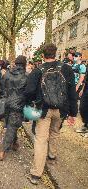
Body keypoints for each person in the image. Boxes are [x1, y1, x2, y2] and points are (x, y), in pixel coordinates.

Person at [25, 44, 77, 185]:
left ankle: (36, 175)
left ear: (43, 55)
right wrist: (73, 113)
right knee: (55, 133)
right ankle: (52, 156)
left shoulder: (37, 71)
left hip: (44, 110)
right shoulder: (66, 69)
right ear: (56, 54)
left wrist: (29, 104)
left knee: (41, 140)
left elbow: (29, 91)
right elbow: (72, 92)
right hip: (62, 110)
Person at [0, 55, 27, 161]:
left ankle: (14, 143)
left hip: (6, 103)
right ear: (24, 64)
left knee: (12, 124)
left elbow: (1, 88)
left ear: (15, 63)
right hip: (18, 105)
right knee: (12, 126)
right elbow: (28, 92)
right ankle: (3, 150)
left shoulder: (7, 74)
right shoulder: (26, 76)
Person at [77, 67, 88, 137]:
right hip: (86, 89)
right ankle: (85, 125)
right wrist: (82, 89)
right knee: (82, 108)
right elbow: (86, 79)